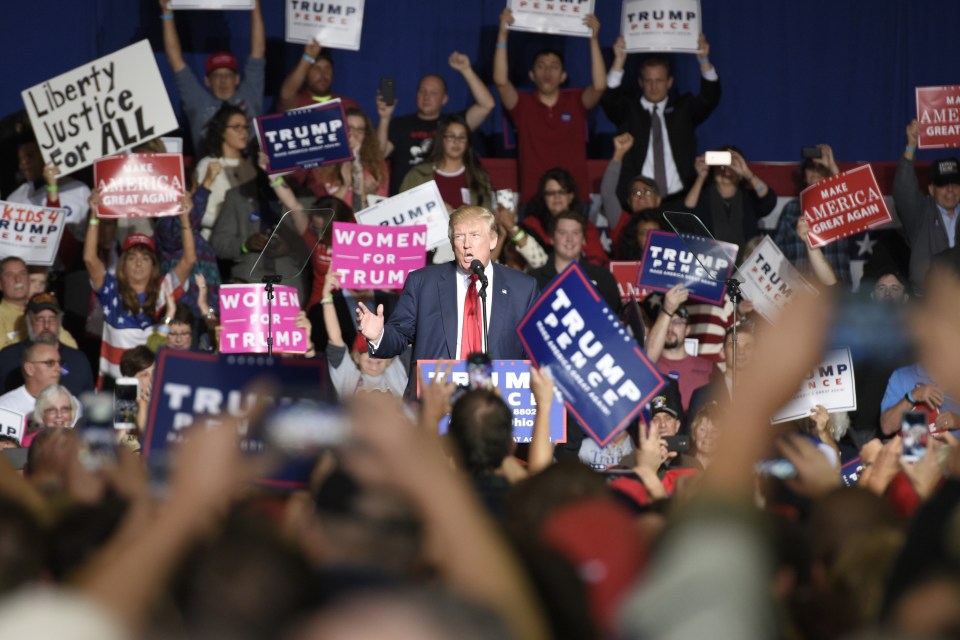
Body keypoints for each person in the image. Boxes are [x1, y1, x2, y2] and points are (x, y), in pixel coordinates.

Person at [357, 206, 539, 395]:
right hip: (434, 400)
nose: (467, 244)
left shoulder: (523, 288)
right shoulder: (423, 283)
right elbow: (399, 337)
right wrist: (378, 336)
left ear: (492, 240)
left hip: (498, 401)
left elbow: (535, 352)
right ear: (452, 243)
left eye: (475, 235)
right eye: (460, 236)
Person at [494, 9, 606, 203]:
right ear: (531, 75)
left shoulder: (576, 101)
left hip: (574, 197)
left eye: (554, 66)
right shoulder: (522, 104)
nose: (547, 71)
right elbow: (501, 81)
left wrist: (593, 39)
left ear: (563, 76)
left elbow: (599, 86)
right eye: (541, 66)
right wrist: (503, 35)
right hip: (535, 198)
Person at [84, 198, 195, 382]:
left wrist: (184, 219)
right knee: (124, 412)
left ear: (153, 265)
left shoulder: (163, 291)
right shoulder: (110, 289)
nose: (138, 264)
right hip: (119, 384)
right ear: (122, 264)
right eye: (132, 258)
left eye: (145, 258)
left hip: (153, 383)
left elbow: (189, 260)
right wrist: (94, 215)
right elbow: (89, 258)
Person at [602, 35, 721, 205]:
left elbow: (710, 98)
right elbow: (608, 100)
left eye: (659, 80)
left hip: (681, 200)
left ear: (670, 82)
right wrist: (619, 62)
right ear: (640, 83)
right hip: (640, 203)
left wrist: (704, 60)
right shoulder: (628, 111)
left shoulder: (684, 109)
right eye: (648, 81)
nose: (654, 86)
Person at [378, 53, 496, 195]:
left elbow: (487, 105)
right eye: (423, 91)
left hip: (442, 201)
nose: (427, 96)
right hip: (405, 200)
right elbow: (379, 154)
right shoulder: (400, 124)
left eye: (434, 92)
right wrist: (384, 118)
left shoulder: (453, 125)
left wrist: (466, 70)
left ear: (444, 99)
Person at [159, 0, 265, 155]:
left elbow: (258, 51)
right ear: (207, 81)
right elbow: (176, 62)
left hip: (250, 173)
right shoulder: (197, 101)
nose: (222, 80)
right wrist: (167, 14)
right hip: (210, 173)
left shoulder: (250, 94)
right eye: (216, 76)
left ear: (237, 79)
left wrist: (255, 4)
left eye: (228, 75)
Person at [772, 144, 852, 285]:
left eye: (821, 168)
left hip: (837, 293)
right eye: (811, 168)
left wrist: (832, 166)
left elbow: (854, 204)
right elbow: (776, 254)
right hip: (801, 297)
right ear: (804, 174)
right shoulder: (791, 209)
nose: (815, 172)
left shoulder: (839, 205)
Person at [894, 121, 960, 292]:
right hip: (927, 300)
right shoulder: (920, 213)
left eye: (955, 183)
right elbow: (903, 189)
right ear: (931, 189)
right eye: (943, 184)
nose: (950, 190)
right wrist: (910, 148)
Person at [321, 272, 406, 398]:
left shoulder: (398, 370)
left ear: (388, 358)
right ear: (356, 357)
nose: (374, 360)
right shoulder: (347, 376)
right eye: (368, 352)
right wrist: (326, 296)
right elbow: (335, 338)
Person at [287, 108, 388, 212]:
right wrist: (345, 186)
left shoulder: (375, 166)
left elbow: (381, 214)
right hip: (333, 226)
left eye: (360, 130)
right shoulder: (322, 165)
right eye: (349, 129)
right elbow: (323, 213)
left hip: (361, 226)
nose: (355, 135)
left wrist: (371, 194)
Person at [7, 134, 90, 258]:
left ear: (45, 156)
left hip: (74, 270)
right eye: (20, 159)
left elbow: (90, 236)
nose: (24, 163)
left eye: (30, 156)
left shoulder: (79, 189)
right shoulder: (14, 199)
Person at [0, 293, 93, 396]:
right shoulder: (8, 357)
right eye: (40, 319)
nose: (46, 325)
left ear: (59, 321)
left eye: (52, 319)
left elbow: (89, 406)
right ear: (29, 321)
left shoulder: (78, 360)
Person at [683, 148, 776, 247]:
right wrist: (701, 177)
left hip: (745, 260)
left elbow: (769, 201)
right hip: (710, 258)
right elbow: (686, 215)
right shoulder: (703, 197)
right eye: (721, 166)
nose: (726, 171)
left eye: (732, 166)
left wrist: (747, 173)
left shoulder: (748, 198)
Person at [192, 105, 258, 241]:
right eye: (237, 127)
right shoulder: (207, 164)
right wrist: (227, 225)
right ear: (221, 131)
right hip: (215, 242)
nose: (244, 133)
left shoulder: (251, 165)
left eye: (246, 127)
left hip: (249, 240)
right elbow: (196, 212)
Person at [530, 211, 620, 311]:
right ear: (551, 239)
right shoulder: (533, 280)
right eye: (562, 233)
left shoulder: (603, 277)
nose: (569, 239)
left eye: (576, 233)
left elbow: (614, 319)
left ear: (584, 239)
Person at [400, 114, 493, 211]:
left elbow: (488, 215)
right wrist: (435, 209)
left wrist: (466, 215)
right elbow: (402, 210)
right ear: (441, 139)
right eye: (451, 136)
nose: (457, 142)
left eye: (462, 137)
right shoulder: (417, 175)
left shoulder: (479, 177)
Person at [644, 284, 715, 411]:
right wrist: (667, 310)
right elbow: (647, 358)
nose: (670, 328)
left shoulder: (709, 368)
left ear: (687, 329)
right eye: (666, 322)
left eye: (677, 322)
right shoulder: (648, 366)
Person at [521, 168, 608, 266]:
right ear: (544, 198)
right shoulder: (532, 224)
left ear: (571, 197)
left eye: (562, 192)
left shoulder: (586, 228)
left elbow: (598, 261)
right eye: (551, 193)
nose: (556, 197)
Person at [597, 132, 664, 251]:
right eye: (636, 193)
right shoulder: (622, 221)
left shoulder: (668, 225)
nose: (641, 196)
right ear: (629, 202)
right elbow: (607, 193)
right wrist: (619, 153)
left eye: (647, 192)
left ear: (658, 200)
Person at [687, 316, 757, 419]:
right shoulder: (702, 395)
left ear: (756, 354)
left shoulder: (772, 395)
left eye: (748, 347)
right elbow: (693, 433)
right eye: (733, 346)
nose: (741, 352)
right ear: (722, 353)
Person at [0, 342, 72, 434]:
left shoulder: (73, 403)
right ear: (29, 368)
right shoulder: (5, 407)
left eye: (60, 363)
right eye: (50, 363)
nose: (58, 369)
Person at [278, 43, 358, 112]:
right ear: (305, 75)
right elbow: (286, 94)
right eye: (316, 68)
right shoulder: (298, 103)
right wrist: (307, 57)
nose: (323, 73)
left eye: (327, 68)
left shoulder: (347, 105)